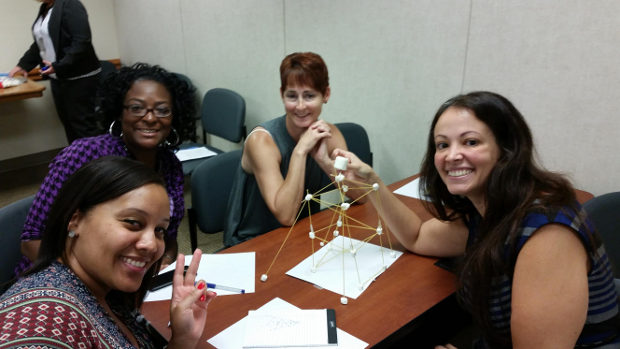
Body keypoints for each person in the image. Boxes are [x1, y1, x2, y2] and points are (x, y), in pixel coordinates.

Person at [334, 91, 620, 348]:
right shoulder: (488, 210)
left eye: (471, 142)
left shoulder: (547, 233)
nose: (452, 155)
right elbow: (418, 237)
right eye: (442, 145)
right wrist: (373, 183)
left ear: (506, 150)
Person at [0, 156, 216, 348]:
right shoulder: (42, 321)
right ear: (75, 221)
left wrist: (182, 340)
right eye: (133, 222)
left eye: (159, 230)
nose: (152, 244)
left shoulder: (105, 290)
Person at [17, 62, 196, 275]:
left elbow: (167, 239)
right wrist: (93, 285)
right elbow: (32, 241)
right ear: (119, 113)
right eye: (136, 107)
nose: (150, 118)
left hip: (132, 281)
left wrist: (162, 263)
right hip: (60, 279)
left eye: (162, 110)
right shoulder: (85, 155)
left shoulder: (170, 166)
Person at [224, 52, 363, 247]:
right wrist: (300, 151)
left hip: (303, 233)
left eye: (309, 96)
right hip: (253, 242)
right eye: (292, 96)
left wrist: (324, 161)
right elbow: (286, 216)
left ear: (326, 94)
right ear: (282, 94)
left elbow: (361, 195)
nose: (300, 106)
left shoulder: (329, 134)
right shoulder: (261, 141)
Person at [9, 0, 102, 143]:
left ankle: (99, 165)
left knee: (84, 129)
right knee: (69, 126)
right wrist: (23, 65)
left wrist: (60, 65)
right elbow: (40, 43)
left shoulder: (71, 4)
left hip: (80, 79)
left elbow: (82, 41)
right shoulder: (45, 8)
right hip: (58, 78)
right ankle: (78, 163)